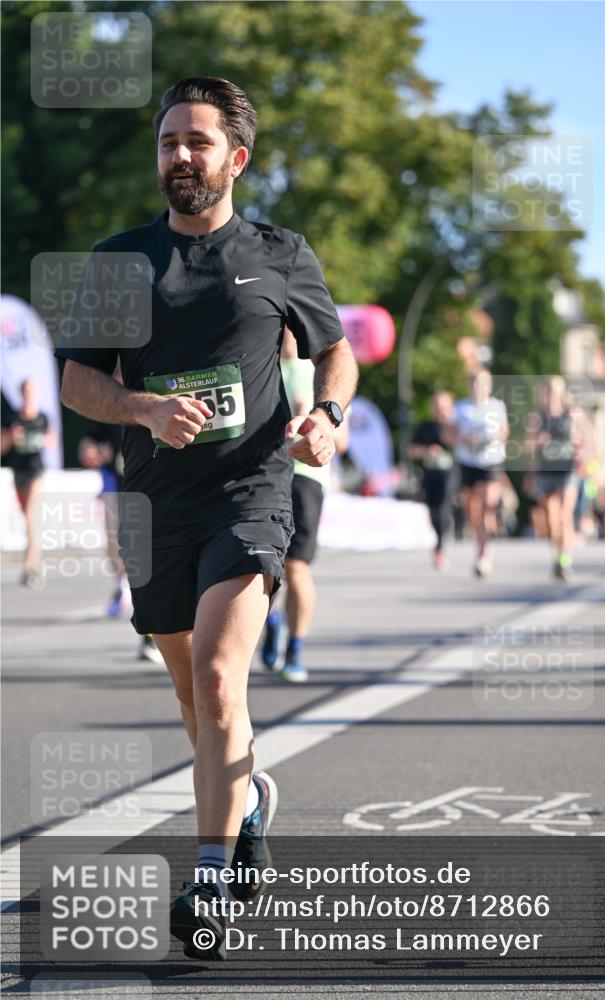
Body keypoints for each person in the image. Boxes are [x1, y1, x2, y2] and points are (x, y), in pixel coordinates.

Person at [55, 76, 358, 961]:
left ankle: (212, 874)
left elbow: (335, 355)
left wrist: (328, 420)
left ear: (237, 157)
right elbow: (79, 381)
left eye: (196, 141)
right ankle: (251, 798)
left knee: (224, 680)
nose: (179, 156)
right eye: (167, 143)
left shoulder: (280, 253)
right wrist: (144, 409)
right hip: (155, 506)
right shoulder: (121, 261)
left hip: (252, 494)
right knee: (194, 697)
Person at [261, 329, 349, 682]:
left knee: (296, 568)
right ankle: (271, 621)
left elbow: (342, 440)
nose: (287, 337)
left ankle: (295, 647)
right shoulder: (260, 367)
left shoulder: (324, 373)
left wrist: (318, 424)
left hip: (306, 477)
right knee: (262, 566)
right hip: (263, 473)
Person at [78, 417, 162, 663]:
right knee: (128, 551)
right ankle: (145, 625)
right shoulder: (113, 402)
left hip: (157, 487)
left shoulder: (161, 392)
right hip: (119, 485)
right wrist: (91, 450)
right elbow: (88, 442)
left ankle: (155, 630)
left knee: (152, 558)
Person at [1, 378, 55, 587]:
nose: (28, 395)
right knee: (28, 521)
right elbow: (2, 448)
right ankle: (37, 561)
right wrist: (10, 437)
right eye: (25, 391)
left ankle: (30, 567)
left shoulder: (42, 418)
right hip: (18, 471)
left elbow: (51, 442)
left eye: (31, 391)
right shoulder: (12, 418)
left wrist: (43, 438)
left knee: (31, 517)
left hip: (36, 471)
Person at [453, 370, 508, 577]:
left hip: (491, 462)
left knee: (487, 508)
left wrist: (490, 439)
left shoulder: (496, 407)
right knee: (473, 512)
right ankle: (484, 544)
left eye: (483, 383)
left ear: (489, 386)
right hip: (468, 462)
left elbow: (504, 432)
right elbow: (451, 434)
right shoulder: (461, 407)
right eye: (475, 383)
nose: (479, 387)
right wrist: (465, 439)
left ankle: (483, 555)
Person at [527, 376, 581, 580]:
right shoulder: (537, 417)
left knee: (565, 513)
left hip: (567, 470)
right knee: (551, 518)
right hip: (545, 471)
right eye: (546, 392)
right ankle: (557, 555)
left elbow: (585, 437)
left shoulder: (572, 414)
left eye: (553, 392)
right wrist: (538, 441)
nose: (549, 396)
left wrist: (581, 447)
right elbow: (527, 446)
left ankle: (564, 560)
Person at [409, 391, 457, 570]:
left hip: (448, 473)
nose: (440, 411)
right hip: (429, 472)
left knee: (443, 507)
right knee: (432, 510)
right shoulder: (425, 426)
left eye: (443, 407)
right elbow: (411, 449)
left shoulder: (453, 426)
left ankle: (440, 548)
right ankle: (437, 543)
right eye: (437, 407)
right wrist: (426, 451)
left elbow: (459, 444)